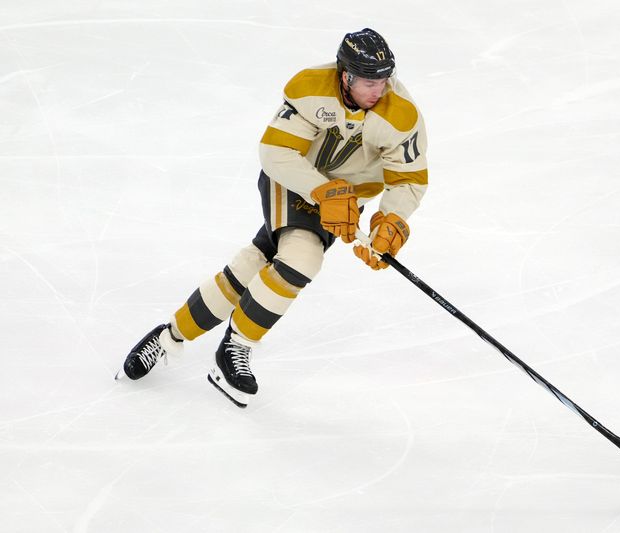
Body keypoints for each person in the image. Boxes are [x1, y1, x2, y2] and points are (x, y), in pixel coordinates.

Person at [115, 28, 428, 408]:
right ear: (345, 75)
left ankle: (168, 337)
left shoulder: (401, 113)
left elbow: (408, 177)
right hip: (293, 181)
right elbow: (276, 153)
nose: (377, 90)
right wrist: (321, 190)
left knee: (257, 265)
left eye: (382, 79)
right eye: (367, 81)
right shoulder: (310, 87)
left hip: (346, 200)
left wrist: (391, 221)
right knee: (301, 258)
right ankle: (234, 348)